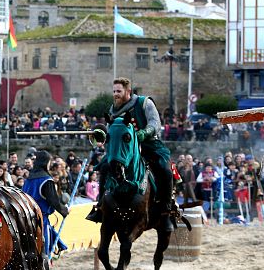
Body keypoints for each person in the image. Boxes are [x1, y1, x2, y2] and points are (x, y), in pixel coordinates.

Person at [86, 77, 175, 232]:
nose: (115, 94)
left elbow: (155, 123)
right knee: (106, 166)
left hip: (148, 145)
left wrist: (144, 133)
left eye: (118, 91)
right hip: (125, 149)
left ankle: (166, 212)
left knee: (166, 170)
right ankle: (100, 207)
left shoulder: (144, 103)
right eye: (114, 91)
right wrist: (101, 133)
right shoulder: (112, 110)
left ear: (128, 91)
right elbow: (111, 130)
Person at [23, 151, 69, 256]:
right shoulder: (46, 180)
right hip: (40, 221)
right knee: (43, 254)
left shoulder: (28, 179)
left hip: (25, 220)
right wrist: (64, 211)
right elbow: (53, 201)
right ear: (45, 163)